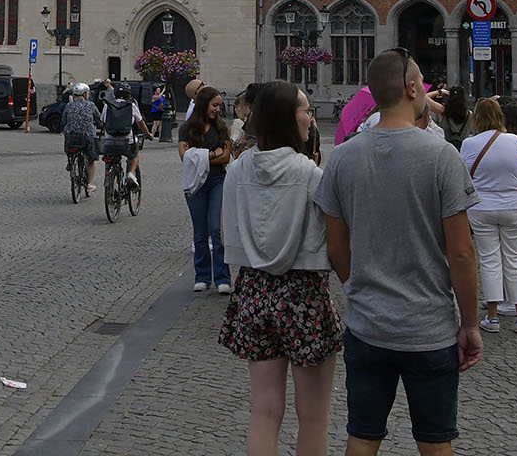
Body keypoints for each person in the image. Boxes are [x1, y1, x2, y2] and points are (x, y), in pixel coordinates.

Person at [316, 50, 483, 454]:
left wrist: (358, 286)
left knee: (362, 436)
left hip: (367, 324)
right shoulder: (442, 156)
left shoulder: (342, 157)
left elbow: (335, 246)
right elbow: (462, 253)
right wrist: (470, 324)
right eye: (422, 81)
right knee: (435, 441)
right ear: (411, 89)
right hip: (428, 328)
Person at [219, 80, 343, 456]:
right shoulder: (311, 175)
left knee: (265, 410)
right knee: (314, 417)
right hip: (303, 294)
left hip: (253, 291)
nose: (311, 118)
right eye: (306, 110)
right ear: (289, 118)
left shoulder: (237, 170)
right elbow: (333, 241)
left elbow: (227, 233)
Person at [461, 97, 517, 334]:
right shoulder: (516, 141)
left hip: (481, 207)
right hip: (514, 205)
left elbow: (464, 177)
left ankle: (492, 316)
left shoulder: (468, 144)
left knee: (489, 260)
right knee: (514, 259)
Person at [181, 86, 232, 293]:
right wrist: (212, 154)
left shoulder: (221, 128)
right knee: (200, 232)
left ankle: (222, 278)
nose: (218, 109)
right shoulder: (187, 128)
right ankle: (202, 276)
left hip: (217, 181)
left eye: (219, 105)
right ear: (204, 105)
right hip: (195, 183)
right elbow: (184, 158)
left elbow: (226, 157)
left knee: (216, 229)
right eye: (214, 105)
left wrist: (200, 156)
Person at [61, 83, 100, 194]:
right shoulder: (91, 105)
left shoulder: (69, 105)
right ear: (85, 94)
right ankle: (90, 184)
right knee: (91, 159)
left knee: (69, 145)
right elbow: (98, 118)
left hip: (72, 137)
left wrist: (65, 128)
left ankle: (70, 161)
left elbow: (64, 120)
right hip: (87, 137)